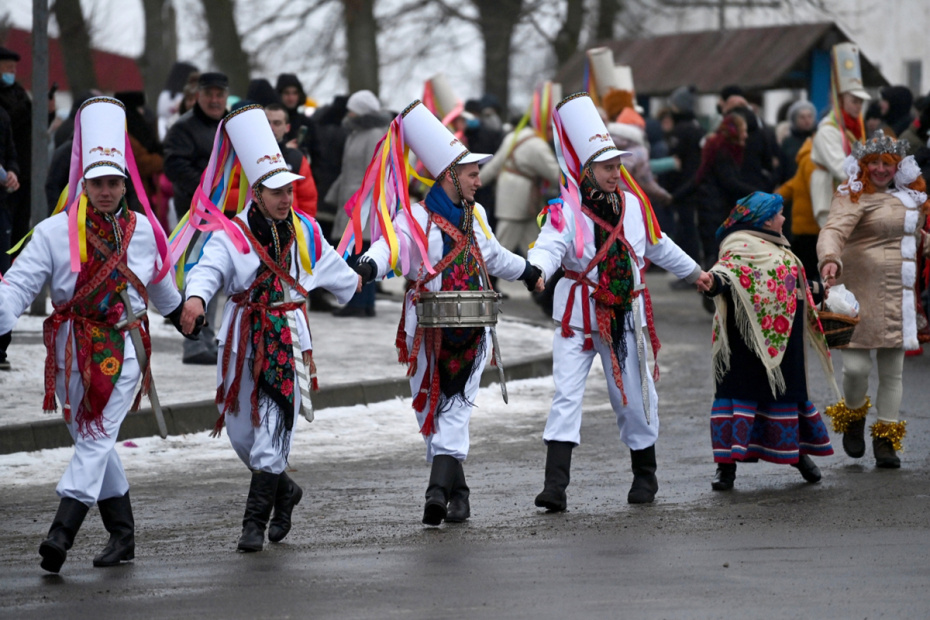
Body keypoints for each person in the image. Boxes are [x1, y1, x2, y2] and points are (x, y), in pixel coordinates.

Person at [0, 97, 187, 573]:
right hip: (69, 347)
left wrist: (187, 315)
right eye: (98, 183)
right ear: (83, 183)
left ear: (126, 184)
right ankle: (122, 534)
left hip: (124, 347)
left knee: (97, 435)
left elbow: (163, 288)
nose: (106, 191)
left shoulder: (145, 230)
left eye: (114, 183)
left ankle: (61, 532)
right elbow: (18, 287)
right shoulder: (51, 232)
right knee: (91, 438)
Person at [177, 104, 360, 551]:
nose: (285, 198)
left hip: (288, 338)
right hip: (240, 338)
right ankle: (286, 492)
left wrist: (374, 270)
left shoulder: (309, 233)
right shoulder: (232, 233)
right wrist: (196, 299)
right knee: (242, 435)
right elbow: (206, 270)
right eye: (276, 191)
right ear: (256, 193)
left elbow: (345, 280)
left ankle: (252, 526)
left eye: (289, 190)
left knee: (273, 432)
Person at [349, 100, 540, 525]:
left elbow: (493, 256)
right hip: (425, 327)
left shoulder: (480, 215)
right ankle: (460, 493)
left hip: (473, 326)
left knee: (455, 409)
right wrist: (369, 264)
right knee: (431, 412)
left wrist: (528, 271)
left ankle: (435, 493)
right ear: (451, 175)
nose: (478, 179)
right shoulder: (414, 218)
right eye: (472, 173)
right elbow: (390, 247)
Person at [526, 93, 712, 510]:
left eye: (618, 165)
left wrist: (697, 273)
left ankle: (645, 477)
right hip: (576, 316)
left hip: (624, 313)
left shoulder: (633, 205)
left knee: (634, 394)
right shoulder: (565, 209)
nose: (617, 173)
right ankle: (554, 487)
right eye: (609, 167)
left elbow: (659, 245)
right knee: (566, 396)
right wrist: (534, 269)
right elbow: (549, 246)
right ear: (587, 170)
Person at [702, 192, 835, 490]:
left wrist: (822, 289)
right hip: (744, 347)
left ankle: (797, 455)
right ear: (763, 219)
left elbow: (792, 281)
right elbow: (726, 273)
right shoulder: (739, 247)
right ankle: (726, 467)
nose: (783, 219)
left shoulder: (779, 248)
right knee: (739, 395)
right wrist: (712, 283)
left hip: (784, 343)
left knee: (786, 396)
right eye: (779, 214)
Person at [817, 131, 930, 468]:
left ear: (899, 166)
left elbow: (917, 238)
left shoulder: (913, 198)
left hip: (899, 294)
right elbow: (833, 231)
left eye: (888, 163)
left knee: (893, 372)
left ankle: (886, 443)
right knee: (856, 368)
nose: (881, 169)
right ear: (863, 166)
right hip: (861, 292)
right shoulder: (853, 195)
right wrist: (829, 258)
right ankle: (853, 417)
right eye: (874, 163)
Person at [163, 72, 229, 365]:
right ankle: (193, 342)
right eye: (209, 94)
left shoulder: (231, 124)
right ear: (198, 95)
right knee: (198, 273)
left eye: (220, 94)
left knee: (218, 274)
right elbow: (174, 166)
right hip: (198, 214)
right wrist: (209, 192)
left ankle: (209, 337)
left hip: (228, 214)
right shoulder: (183, 127)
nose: (215, 100)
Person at [327, 90, 391, 318]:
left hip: (363, 204)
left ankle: (361, 303)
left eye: (353, 108)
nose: (349, 112)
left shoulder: (374, 134)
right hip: (351, 200)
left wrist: (366, 204)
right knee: (355, 252)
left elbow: (375, 172)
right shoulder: (356, 133)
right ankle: (360, 303)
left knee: (362, 252)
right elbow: (348, 170)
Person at [479, 90, 561, 258]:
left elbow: (493, 166)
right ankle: (483, 279)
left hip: (514, 202)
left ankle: (543, 279)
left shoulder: (514, 136)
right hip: (519, 203)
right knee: (501, 250)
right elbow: (556, 175)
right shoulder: (537, 145)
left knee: (534, 247)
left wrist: (475, 181)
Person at [810, 43, 870, 228]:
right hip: (829, 192)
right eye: (854, 100)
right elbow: (839, 167)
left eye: (860, 101)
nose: (858, 105)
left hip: (848, 194)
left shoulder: (855, 129)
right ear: (841, 100)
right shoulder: (828, 130)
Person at [264, 103, 318, 217]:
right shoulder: (247, 156)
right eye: (267, 122)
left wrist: (303, 227)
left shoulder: (296, 158)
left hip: (290, 226)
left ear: (287, 127)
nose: (270, 127)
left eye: (277, 123)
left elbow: (308, 200)